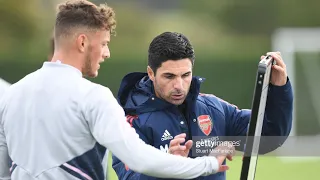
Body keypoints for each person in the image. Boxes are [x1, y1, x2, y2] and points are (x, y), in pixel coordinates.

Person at [0, 1, 233, 180]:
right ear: (82, 42)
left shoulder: (10, 95)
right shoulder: (93, 97)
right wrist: (209, 164)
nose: (107, 53)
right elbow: (140, 158)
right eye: (103, 43)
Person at [112, 32, 293, 180]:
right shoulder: (130, 122)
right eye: (169, 76)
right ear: (151, 73)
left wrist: (279, 88)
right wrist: (167, 165)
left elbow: (269, 137)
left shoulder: (214, 109)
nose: (179, 86)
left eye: (185, 75)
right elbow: (128, 176)